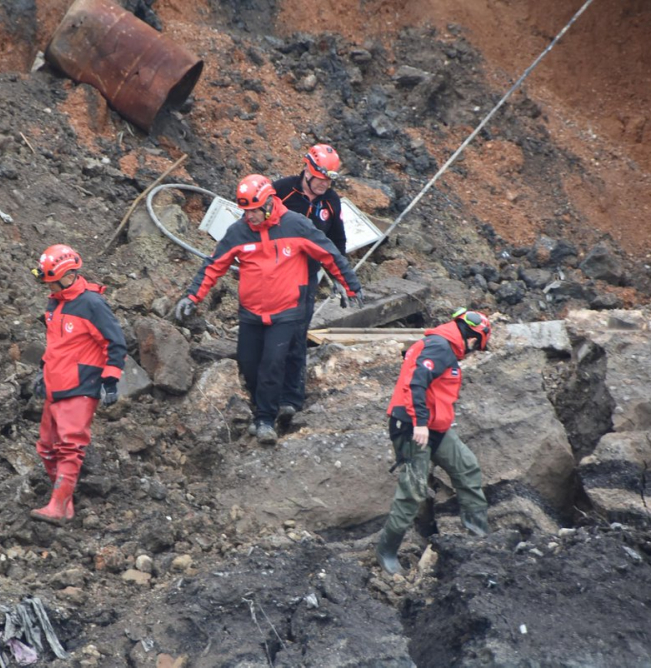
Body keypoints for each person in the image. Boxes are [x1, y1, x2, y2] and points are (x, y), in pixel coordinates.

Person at [174, 174, 364, 445]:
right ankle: (262, 409)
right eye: (245, 211)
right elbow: (214, 265)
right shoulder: (238, 232)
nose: (248, 216)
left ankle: (265, 419)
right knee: (249, 364)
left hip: (287, 311)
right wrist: (192, 297)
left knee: (273, 364)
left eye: (253, 211)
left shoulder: (296, 226)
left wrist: (351, 286)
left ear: (268, 204)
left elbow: (330, 254)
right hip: (251, 313)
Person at [375, 309, 492, 575]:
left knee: (467, 467)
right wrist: (419, 423)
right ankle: (386, 551)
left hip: (436, 429)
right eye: (476, 346)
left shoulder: (444, 347)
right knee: (413, 490)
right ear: (473, 339)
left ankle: (479, 538)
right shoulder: (439, 347)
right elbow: (417, 383)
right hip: (413, 428)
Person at [29, 244, 126, 524]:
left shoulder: (92, 304)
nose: (49, 286)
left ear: (66, 275)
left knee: (70, 446)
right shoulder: (55, 302)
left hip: (81, 384)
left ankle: (58, 506)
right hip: (55, 384)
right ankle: (63, 501)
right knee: (47, 447)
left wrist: (110, 379)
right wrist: (42, 371)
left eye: (51, 280)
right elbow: (55, 345)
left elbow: (115, 342)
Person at [272, 144, 347, 423]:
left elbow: (337, 240)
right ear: (307, 170)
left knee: (296, 335)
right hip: (273, 275)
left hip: (306, 278)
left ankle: (291, 398)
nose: (324, 186)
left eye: (329, 181)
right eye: (320, 179)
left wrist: (340, 277)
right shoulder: (281, 191)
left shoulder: (331, 201)